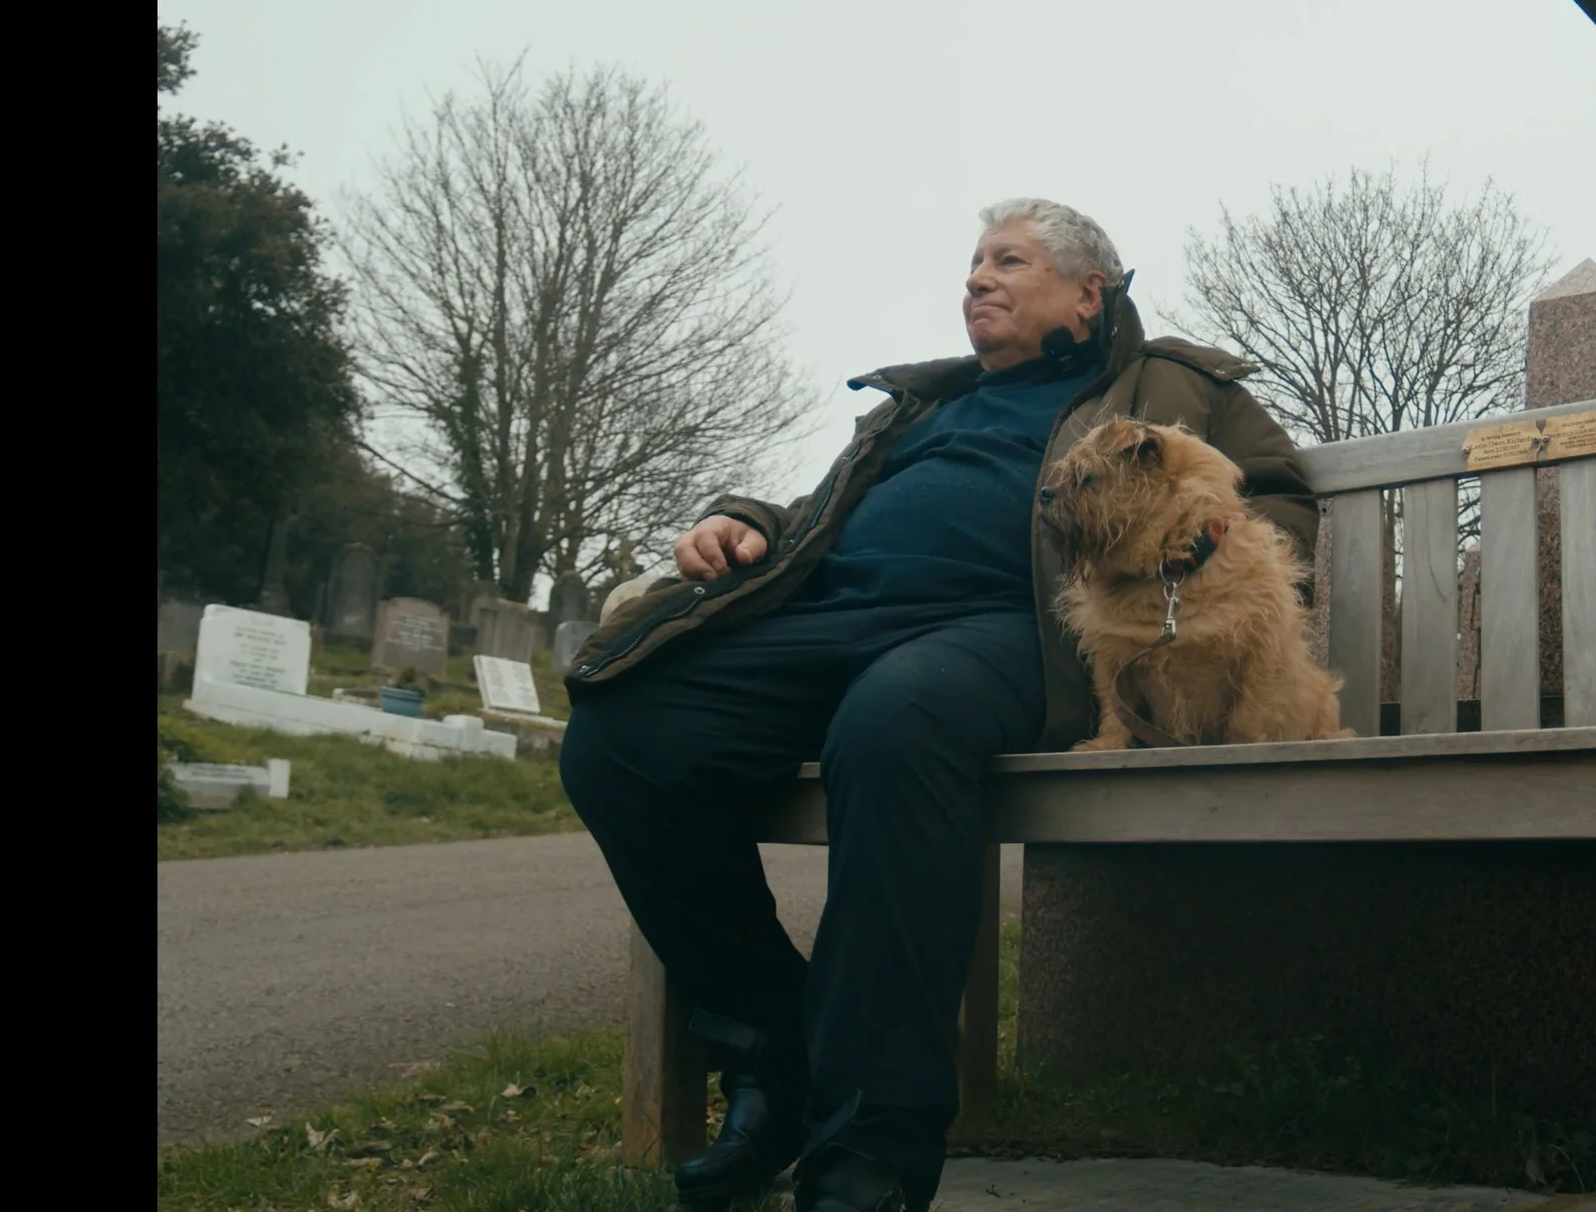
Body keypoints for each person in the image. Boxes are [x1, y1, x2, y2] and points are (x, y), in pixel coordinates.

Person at [559, 198, 1315, 1212]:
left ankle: (867, 1155)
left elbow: (1274, 502)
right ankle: (771, 1040)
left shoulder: (1176, 381)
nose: (977, 278)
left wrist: (1169, 565)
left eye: (1008, 261)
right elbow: (817, 514)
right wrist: (740, 519)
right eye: (971, 262)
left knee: (894, 726)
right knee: (623, 733)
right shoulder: (923, 407)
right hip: (833, 618)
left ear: (1088, 291)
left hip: (1023, 630)